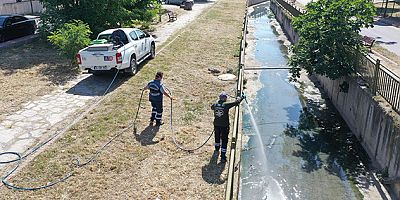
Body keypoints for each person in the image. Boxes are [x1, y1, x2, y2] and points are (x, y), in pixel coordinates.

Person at [211, 92, 245, 162]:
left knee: (217, 137)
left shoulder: (215, 105)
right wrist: (241, 97)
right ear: (225, 99)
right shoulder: (226, 105)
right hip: (224, 126)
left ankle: (217, 148)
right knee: (224, 140)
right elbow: (236, 102)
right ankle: (223, 156)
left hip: (216, 125)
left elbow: (212, 107)